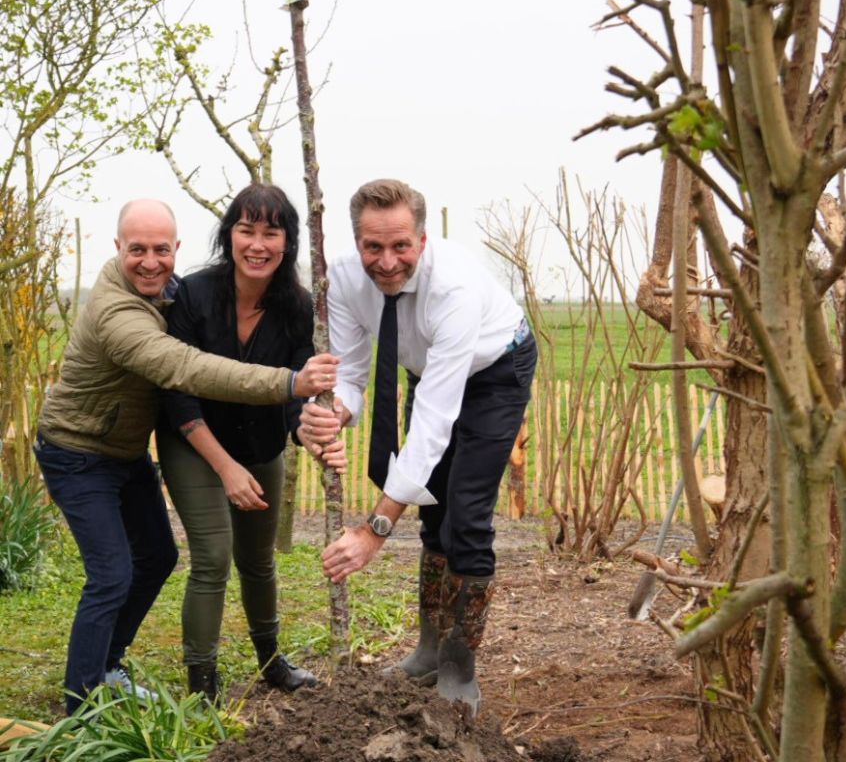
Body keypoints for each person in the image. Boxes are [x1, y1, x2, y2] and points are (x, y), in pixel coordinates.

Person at [34, 199, 337, 715]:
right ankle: (81, 703)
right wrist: (289, 384)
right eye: (137, 250)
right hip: (79, 451)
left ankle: (109, 666)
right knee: (113, 574)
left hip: (124, 452)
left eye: (160, 250)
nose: (150, 261)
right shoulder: (122, 312)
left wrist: (313, 422)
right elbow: (185, 370)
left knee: (158, 557)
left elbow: (298, 391)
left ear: (176, 249)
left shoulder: (178, 293)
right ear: (116, 249)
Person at [298, 179, 536, 716]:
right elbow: (353, 372)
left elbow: (435, 420)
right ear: (356, 241)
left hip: (494, 371)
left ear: (422, 241)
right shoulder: (342, 278)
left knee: (467, 518)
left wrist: (374, 528)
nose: (386, 261)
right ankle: (427, 653)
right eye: (373, 247)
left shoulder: (452, 289)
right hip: (425, 371)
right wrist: (334, 412)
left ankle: (458, 666)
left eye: (400, 245)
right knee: (434, 515)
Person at [156, 184, 320, 702]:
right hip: (194, 442)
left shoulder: (297, 307)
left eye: (271, 232)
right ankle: (201, 684)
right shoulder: (194, 295)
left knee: (259, 559)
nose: (258, 243)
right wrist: (225, 468)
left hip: (262, 446)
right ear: (229, 235)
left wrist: (308, 430)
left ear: (288, 242)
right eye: (246, 229)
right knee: (212, 557)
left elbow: (295, 390)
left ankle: (273, 663)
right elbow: (177, 395)